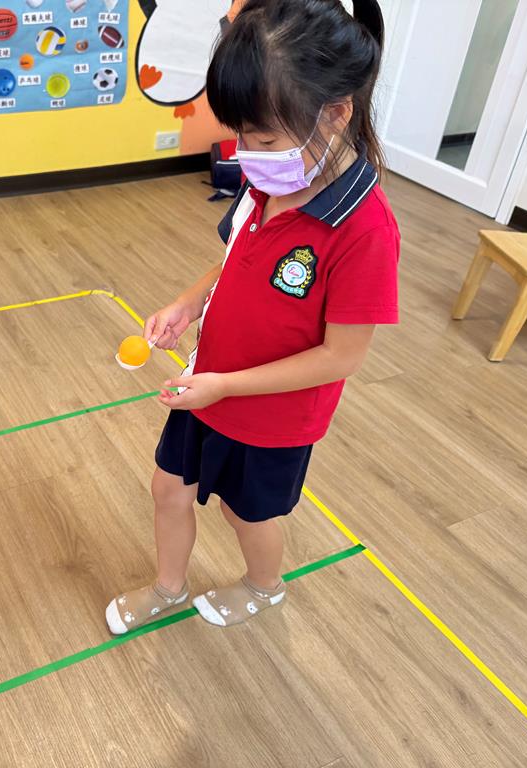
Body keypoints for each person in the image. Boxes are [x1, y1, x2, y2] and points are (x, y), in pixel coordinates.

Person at [106, 0, 400, 633]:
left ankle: (264, 587)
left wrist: (227, 386)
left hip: (272, 416)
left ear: (336, 113)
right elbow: (238, 259)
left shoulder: (365, 230)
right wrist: (189, 303)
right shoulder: (271, 177)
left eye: (262, 139)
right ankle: (167, 587)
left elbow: (342, 356)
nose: (246, 153)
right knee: (167, 489)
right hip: (207, 382)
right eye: (241, 135)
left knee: (246, 513)